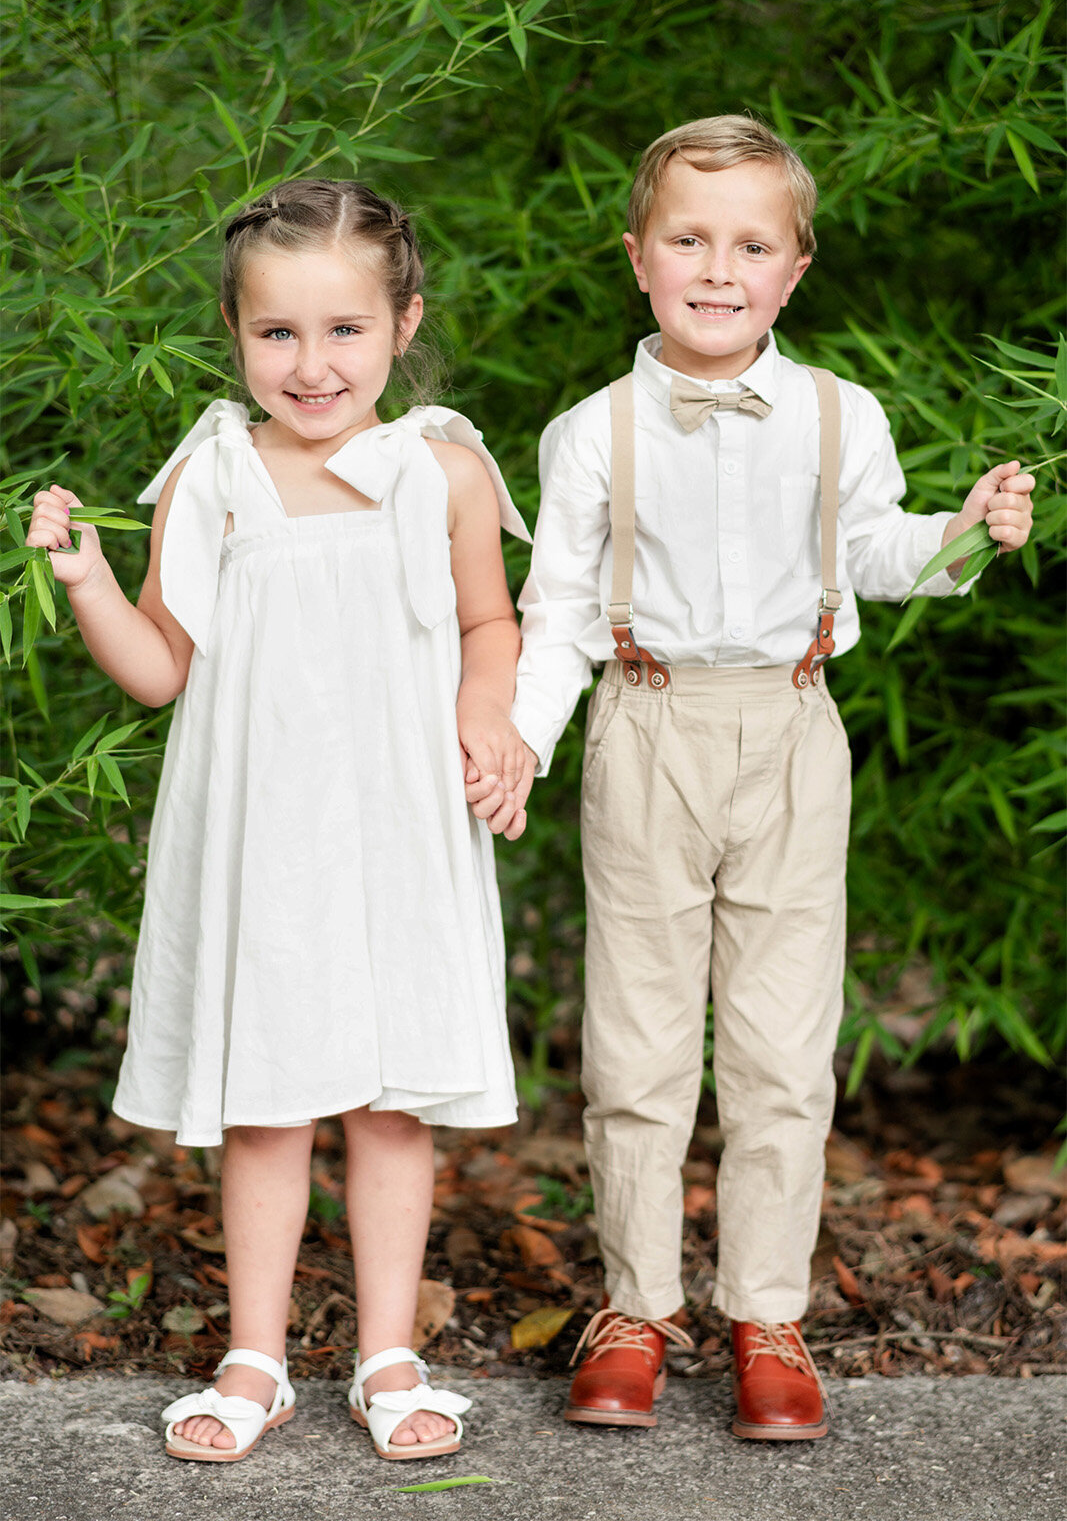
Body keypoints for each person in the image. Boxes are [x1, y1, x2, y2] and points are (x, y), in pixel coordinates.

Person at [476, 115, 1034, 1441]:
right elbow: (552, 610)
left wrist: (963, 535)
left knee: (783, 1048)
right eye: (687, 238)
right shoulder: (587, 432)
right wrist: (522, 741)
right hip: (642, 726)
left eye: (749, 246)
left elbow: (882, 555)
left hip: (789, 729)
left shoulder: (843, 414)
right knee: (634, 1042)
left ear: (792, 271)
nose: (715, 269)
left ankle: (764, 1313)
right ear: (637, 257)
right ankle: (632, 1306)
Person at [27, 178, 531, 1464]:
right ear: (237, 334)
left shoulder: (443, 468)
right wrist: (86, 580)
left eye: (345, 330)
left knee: (389, 1097)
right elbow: (160, 667)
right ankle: (253, 1356)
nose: (311, 365)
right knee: (266, 1099)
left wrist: (489, 711)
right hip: (263, 831)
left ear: (404, 321)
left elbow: (488, 619)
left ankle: (386, 1354)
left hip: (399, 822)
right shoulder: (214, 473)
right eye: (277, 334)